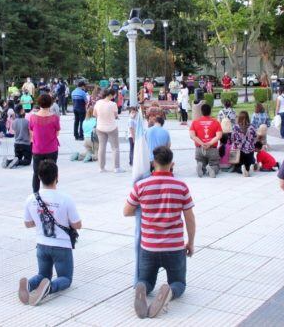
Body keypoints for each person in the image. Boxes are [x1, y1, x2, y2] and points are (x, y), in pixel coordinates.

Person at [125, 146, 195, 319]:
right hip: (174, 247)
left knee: (147, 281)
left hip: (149, 246)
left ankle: (141, 287)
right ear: (172, 164)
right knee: (179, 283)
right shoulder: (181, 186)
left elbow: (126, 211)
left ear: (153, 163)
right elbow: (190, 218)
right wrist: (190, 242)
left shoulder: (141, 185)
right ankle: (169, 291)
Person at [19, 159, 82, 306]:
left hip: (41, 244)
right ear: (57, 176)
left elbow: (28, 224)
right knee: (65, 278)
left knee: (42, 275)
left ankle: (28, 284)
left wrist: (41, 219)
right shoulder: (66, 199)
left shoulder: (31, 198)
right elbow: (77, 224)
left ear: (39, 177)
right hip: (61, 246)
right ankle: (49, 288)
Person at [29, 94, 61, 193]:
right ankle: (52, 192)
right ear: (50, 103)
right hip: (51, 148)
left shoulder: (32, 117)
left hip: (37, 149)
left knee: (36, 173)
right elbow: (57, 133)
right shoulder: (55, 118)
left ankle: (36, 194)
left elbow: (32, 132)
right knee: (52, 171)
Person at [189, 103, 223, 178]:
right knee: (215, 164)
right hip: (212, 149)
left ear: (201, 112)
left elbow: (192, 135)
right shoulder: (216, 122)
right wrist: (209, 143)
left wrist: (202, 143)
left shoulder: (195, 122)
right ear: (210, 111)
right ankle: (212, 169)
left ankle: (201, 167)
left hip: (199, 149)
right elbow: (219, 136)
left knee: (201, 162)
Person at [93, 89, 121, 173]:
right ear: (110, 95)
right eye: (114, 95)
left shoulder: (98, 103)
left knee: (101, 147)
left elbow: (94, 114)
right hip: (112, 127)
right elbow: (116, 115)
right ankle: (116, 168)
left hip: (100, 127)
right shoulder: (113, 104)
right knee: (115, 148)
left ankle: (101, 168)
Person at [230, 111, 257, 176]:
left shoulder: (235, 127)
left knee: (236, 167)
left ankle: (241, 169)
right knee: (247, 165)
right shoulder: (252, 127)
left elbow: (233, 139)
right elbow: (255, 138)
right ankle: (248, 168)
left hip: (239, 152)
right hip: (250, 152)